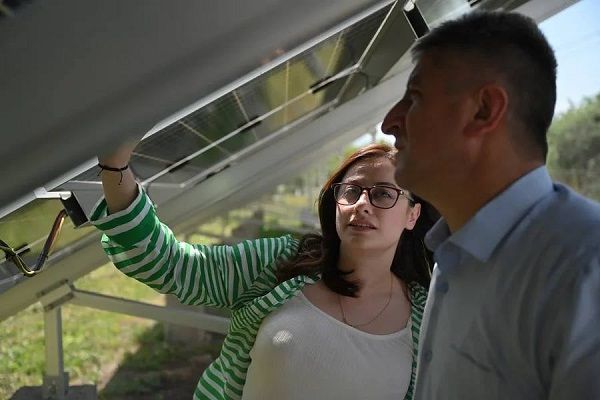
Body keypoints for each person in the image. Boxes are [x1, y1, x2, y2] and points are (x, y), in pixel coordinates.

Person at [90, 142, 439, 400]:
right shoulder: (282, 263)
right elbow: (172, 265)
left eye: (383, 194)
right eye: (351, 192)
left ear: (412, 215)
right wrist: (115, 166)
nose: (361, 204)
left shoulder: (427, 317)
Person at [381, 10, 600, 400]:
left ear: (484, 110)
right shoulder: (452, 256)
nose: (389, 122)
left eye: (414, 98)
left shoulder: (584, 268)